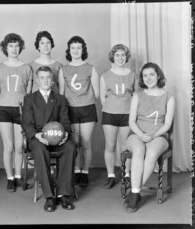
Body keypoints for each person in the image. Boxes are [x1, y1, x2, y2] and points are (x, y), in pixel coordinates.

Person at [22, 66, 77, 212]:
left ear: (52, 79)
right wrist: (37, 135)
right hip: (39, 137)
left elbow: (65, 122)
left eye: (48, 77)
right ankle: (49, 196)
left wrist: (65, 134)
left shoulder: (59, 98)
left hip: (58, 136)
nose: (45, 80)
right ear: (37, 80)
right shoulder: (29, 98)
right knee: (40, 150)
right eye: (42, 77)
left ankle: (63, 194)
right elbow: (27, 123)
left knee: (71, 147)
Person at [124, 62, 175, 213]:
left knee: (152, 153)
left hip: (159, 135)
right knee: (138, 150)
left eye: (151, 74)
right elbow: (131, 121)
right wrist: (141, 134)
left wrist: (153, 135)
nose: (148, 78)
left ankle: (134, 192)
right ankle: (135, 193)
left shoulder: (169, 97)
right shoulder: (137, 96)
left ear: (158, 75)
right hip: (136, 133)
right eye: (145, 76)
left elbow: (167, 124)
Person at [59, 36, 99, 187]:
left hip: (87, 108)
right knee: (75, 143)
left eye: (79, 47)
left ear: (83, 49)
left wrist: (83, 99)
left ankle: (85, 173)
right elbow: (61, 93)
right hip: (71, 109)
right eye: (73, 48)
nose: (76, 51)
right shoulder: (64, 69)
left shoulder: (91, 68)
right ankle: (76, 171)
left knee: (86, 143)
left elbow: (96, 92)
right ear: (69, 50)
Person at [0, 33, 33, 192]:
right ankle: (10, 178)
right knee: (8, 146)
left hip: (20, 109)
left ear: (21, 47)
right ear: (5, 48)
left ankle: (18, 176)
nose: (14, 49)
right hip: (4, 109)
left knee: (19, 146)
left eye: (17, 45)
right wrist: (6, 102)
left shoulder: (26, 68)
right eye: (11, 45)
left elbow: (29, 92)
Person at [100, 44, 139, 189]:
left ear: (126, 57)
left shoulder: (133, 75)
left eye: (123, 55)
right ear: (113, 57)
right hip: (110, 114)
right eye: (117, 55)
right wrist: (112, 107)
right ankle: (110, 175)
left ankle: (126, 174)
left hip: (127, 115)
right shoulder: (105, 75)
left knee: (125, 147)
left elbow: (136, 95)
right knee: (110, 146)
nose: (120, 58)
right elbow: (103, 98)